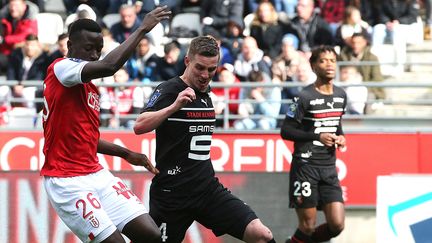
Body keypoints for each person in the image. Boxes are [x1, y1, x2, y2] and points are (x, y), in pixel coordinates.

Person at [41, 6, 171, 243]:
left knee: (152, 236)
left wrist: (127, 153)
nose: (94, 55)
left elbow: (86, 138)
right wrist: (142, 29)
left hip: (97, 174)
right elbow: (110, 66)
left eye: (98, 50)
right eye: (88, 49)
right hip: (67, 182)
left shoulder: (89, 88)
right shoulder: (61, 68)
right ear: (70, 47)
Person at [133, 36, 275, 243]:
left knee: (262, 235)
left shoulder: (207, 92)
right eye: (200, 67)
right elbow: (139, 125)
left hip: (206, 189)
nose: (205, 75)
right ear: (187, 61)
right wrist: (174, 107)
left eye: (211, 69)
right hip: (172, 193)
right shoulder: (170, 89)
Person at [280, 46, 346, 243]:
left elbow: (336, 123)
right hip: (305, 167)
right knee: (307, 226)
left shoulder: (341, 95)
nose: (329, 65)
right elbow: (285, 130)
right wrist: (317, 136)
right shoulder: (302, 97)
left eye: (333, 60)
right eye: (323, 61)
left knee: (337, 224)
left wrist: (341, 137)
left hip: (328, 168)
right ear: (313, 66)